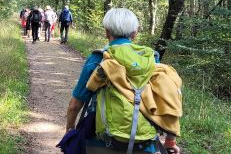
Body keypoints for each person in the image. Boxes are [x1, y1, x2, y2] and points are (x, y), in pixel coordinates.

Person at [62, 8, 181, 154]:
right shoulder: (151, 59)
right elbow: (169, 99)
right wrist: (170, 141)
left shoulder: (98, 58)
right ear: (134, 33)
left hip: (102, 142)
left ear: (107, 32)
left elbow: (75, 104)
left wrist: (69, 129)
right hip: (145, 144)